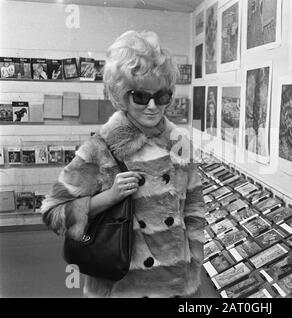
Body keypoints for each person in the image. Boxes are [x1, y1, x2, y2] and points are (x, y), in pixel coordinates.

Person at [39, 30, 206, 298]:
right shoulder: (102, 147)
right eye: (140, 96)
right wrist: (109, 197)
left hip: (180, 287)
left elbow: (195, 207)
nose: (153, 106)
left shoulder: (179, 142)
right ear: (121, 95)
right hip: (123, 287)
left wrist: (194, 259)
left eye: (162, 96)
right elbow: (53, 212)